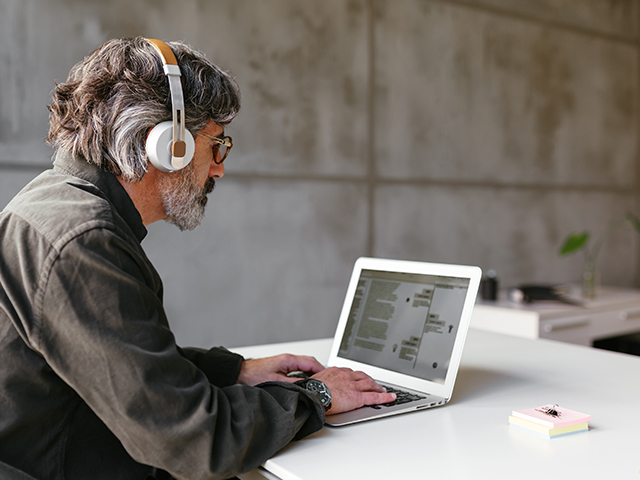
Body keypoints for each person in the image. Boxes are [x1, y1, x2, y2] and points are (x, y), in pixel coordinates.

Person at [0, 37, 395, 480]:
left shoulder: (55, 205)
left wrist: (235, 372)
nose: (219, 167)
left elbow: (118, 360)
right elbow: (196, 441)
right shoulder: (83, 242)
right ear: (169, 145)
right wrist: (317, 396)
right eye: (217, 144)